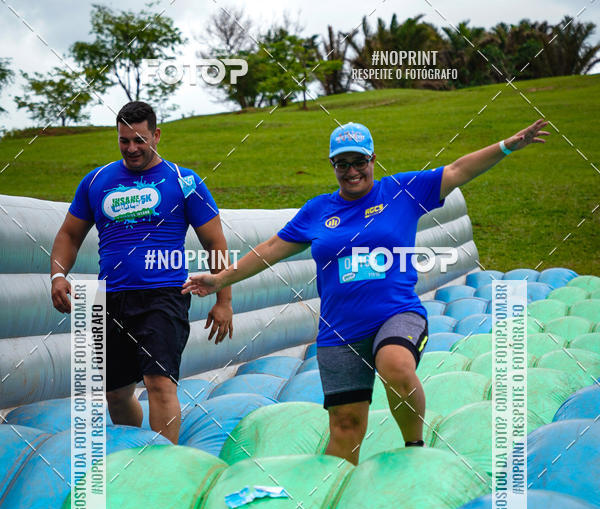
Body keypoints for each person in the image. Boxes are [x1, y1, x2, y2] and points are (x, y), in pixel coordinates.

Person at [182, 118, 548, 464]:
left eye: (360, 161)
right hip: (339, 331)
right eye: (342, 163)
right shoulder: (318, 210)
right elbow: (271, 250)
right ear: (332, 165)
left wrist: (507, 146)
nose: (352, 170)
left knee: (395, 365)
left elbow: (457, 171)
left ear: (373, 159)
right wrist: (221, 279)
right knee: (344, 426)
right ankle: (336, 495)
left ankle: (414, 448)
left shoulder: (403, 192)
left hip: (396, 313)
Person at [51, 100, 233, 444]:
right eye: (124, 141)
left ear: (157, 135)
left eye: (140, 140)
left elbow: (215, 242)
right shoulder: (96, 181)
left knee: (159, 384)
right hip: (110, 298)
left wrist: (224, 299)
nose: (132, 148)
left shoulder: (185, 181)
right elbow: (69, 235)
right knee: (117, 395)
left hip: (164, 294)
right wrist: (58, 275)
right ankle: (135, 456)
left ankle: (165, 467)